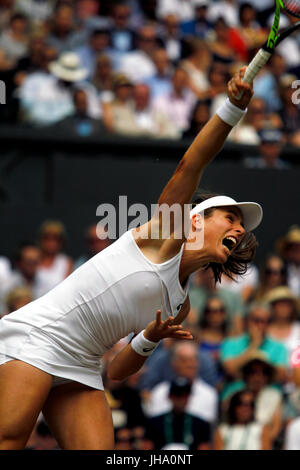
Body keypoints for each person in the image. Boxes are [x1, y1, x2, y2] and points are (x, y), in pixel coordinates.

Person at [0, 67, 262, 450]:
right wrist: (232, 110)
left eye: (241, 227)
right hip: (41, 336)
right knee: (10, 439)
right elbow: (191, 163)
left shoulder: (181, 304)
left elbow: (120, 370)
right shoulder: (164, 234)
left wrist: (150, 338)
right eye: (230, 218)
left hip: (83, 365)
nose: (238, 229)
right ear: (195, 219)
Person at [144, 341, 218, 423]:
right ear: (174, 363)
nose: (190, 365)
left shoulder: (209, 394)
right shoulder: (160, 392)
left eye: (193, 360)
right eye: (184, 360)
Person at [144, 378, 212, 450]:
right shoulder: (154, 423)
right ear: (170, 397)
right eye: (178, 395)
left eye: (185, 396)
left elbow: (204, 447)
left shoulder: (201, 424)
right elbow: (147, 447)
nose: (181, 400)